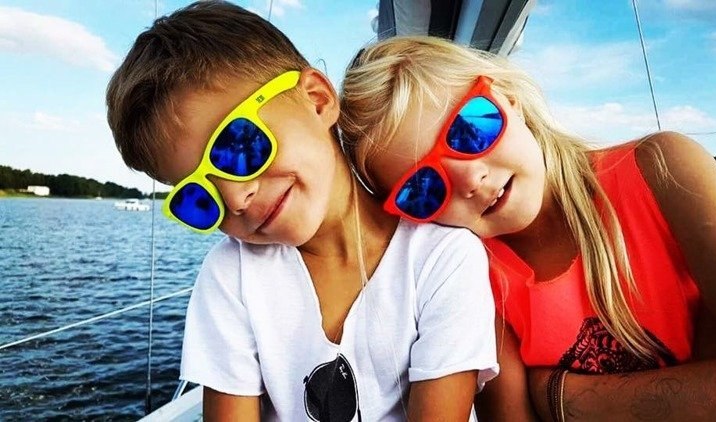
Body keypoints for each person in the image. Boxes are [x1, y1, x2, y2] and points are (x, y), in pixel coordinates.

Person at [105, 4, 498, 421]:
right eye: (199, 197)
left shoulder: (443, 257)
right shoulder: (230, 275)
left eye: (238, 147)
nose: (236, 199)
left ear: (317, 100)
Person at [338, 36, 716, 421]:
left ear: (509, 99)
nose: (470, 180)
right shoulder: (474, 278)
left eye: (470, 131)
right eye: (423, 188)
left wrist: (559, 396)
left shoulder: (661, 170)